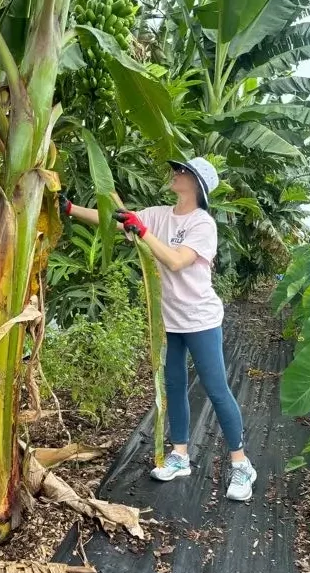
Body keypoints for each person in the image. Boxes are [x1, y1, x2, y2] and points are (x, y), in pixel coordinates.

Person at [60, 155, 256, 501]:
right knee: (174, 385)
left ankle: (241, 464)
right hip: (171, 319)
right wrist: (71, 208)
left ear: (196, 184)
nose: (175, 173)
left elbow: (177, 261)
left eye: (182, 171)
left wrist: (144, 231)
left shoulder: (202, 224)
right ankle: (180, 456)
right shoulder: (158, 213)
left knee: (216, 388)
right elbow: (117, 221)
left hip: (200, 319)